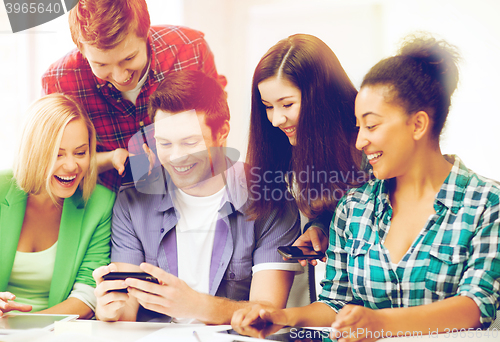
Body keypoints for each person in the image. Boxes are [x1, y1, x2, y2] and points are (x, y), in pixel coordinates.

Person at [231, 35, 500, 341]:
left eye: (370, 126)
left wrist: (380, 322)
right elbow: (336, 303)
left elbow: (476, 306)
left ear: (418, 125)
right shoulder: (353, 207)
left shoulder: (487, 203)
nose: (359, 142)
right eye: (357, 126)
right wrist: (280, 317)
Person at [92, 70, 302, 324]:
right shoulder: (132, 203)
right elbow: (126, 312)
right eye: (165, 144)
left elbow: (267, 315)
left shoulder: (270, 198)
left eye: (190, 143)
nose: (175, 157)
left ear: (222, 132)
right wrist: (109, 310)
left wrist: (196, 305)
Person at [42, 0, 226, 192]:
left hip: (190, 193)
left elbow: (216, 125)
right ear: (81, 49)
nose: (120, 77)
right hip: (108, 204)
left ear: (146, 33)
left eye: (129, 58)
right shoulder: (59, 82)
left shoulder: (191, 50)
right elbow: (52, 161)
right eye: (101, 65)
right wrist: (112, 158)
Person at [247, 34, 367, 266]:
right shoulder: (295, 145)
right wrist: (320, 229)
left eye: (287, 104)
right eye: (268, 107)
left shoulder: (369, 145)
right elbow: (336, 210)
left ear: (321, 96)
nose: (276, 120)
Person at [0, 94, 115, 318]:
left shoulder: (100, 203)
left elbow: (87, 294)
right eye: (57, 154)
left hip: (57, 332)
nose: (71, 165)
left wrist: (30, 327)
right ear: (33, 153)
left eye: (80, 153)